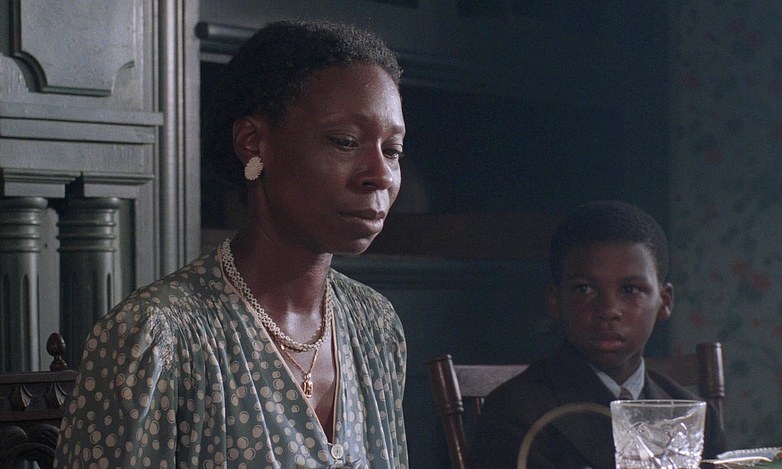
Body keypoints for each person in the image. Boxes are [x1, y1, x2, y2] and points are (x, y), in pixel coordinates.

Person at [55, 20, 408, 468]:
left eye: (392, 150)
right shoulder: (156, 338)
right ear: (253, 142)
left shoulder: (375, 326)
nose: (380, 174)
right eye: (345, 142)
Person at [470, 200, 727, 469]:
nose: (608, 310)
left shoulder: (694, 416)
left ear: (664, 301)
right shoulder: (517, 410)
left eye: (630, 290)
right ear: (555, 300)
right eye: (584, 289)